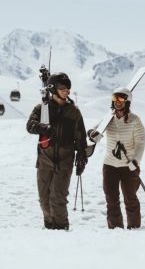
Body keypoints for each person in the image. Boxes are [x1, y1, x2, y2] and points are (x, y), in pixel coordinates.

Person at [26, 72, 87, 230]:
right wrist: (45, 128)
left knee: (57, 198)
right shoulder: (42, 109)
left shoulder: (74, 111)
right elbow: (30, 126)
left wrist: (82, 158)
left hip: (65, 161)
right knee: (44, 199)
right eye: (62, 88)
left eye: (68, 88)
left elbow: (80, 138)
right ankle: (49, 228)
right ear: (53, 89)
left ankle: (61, 229)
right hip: (45, 160)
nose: (66, 91)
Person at [88, 87, 145, 229]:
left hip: (129, 166)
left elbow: (140, 143)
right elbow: (95, 130)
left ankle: (134, 228)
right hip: (110, 165)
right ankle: (115, 229)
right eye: (115, 98)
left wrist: (135, 161)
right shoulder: (109, 118)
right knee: (111, 199)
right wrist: (92, 134)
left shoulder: (135, 120)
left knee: (130, 199)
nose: (117, 102)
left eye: (121, 98)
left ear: (127, 101)